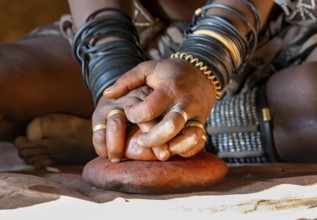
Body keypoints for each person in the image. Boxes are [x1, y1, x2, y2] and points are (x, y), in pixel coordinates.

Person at [6, 0, 317, 167]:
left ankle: (123, 144)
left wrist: (203, 62)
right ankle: (139, 136)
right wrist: (113, 80)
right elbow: (104, 33)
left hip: (269, 30)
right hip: (128, 29)